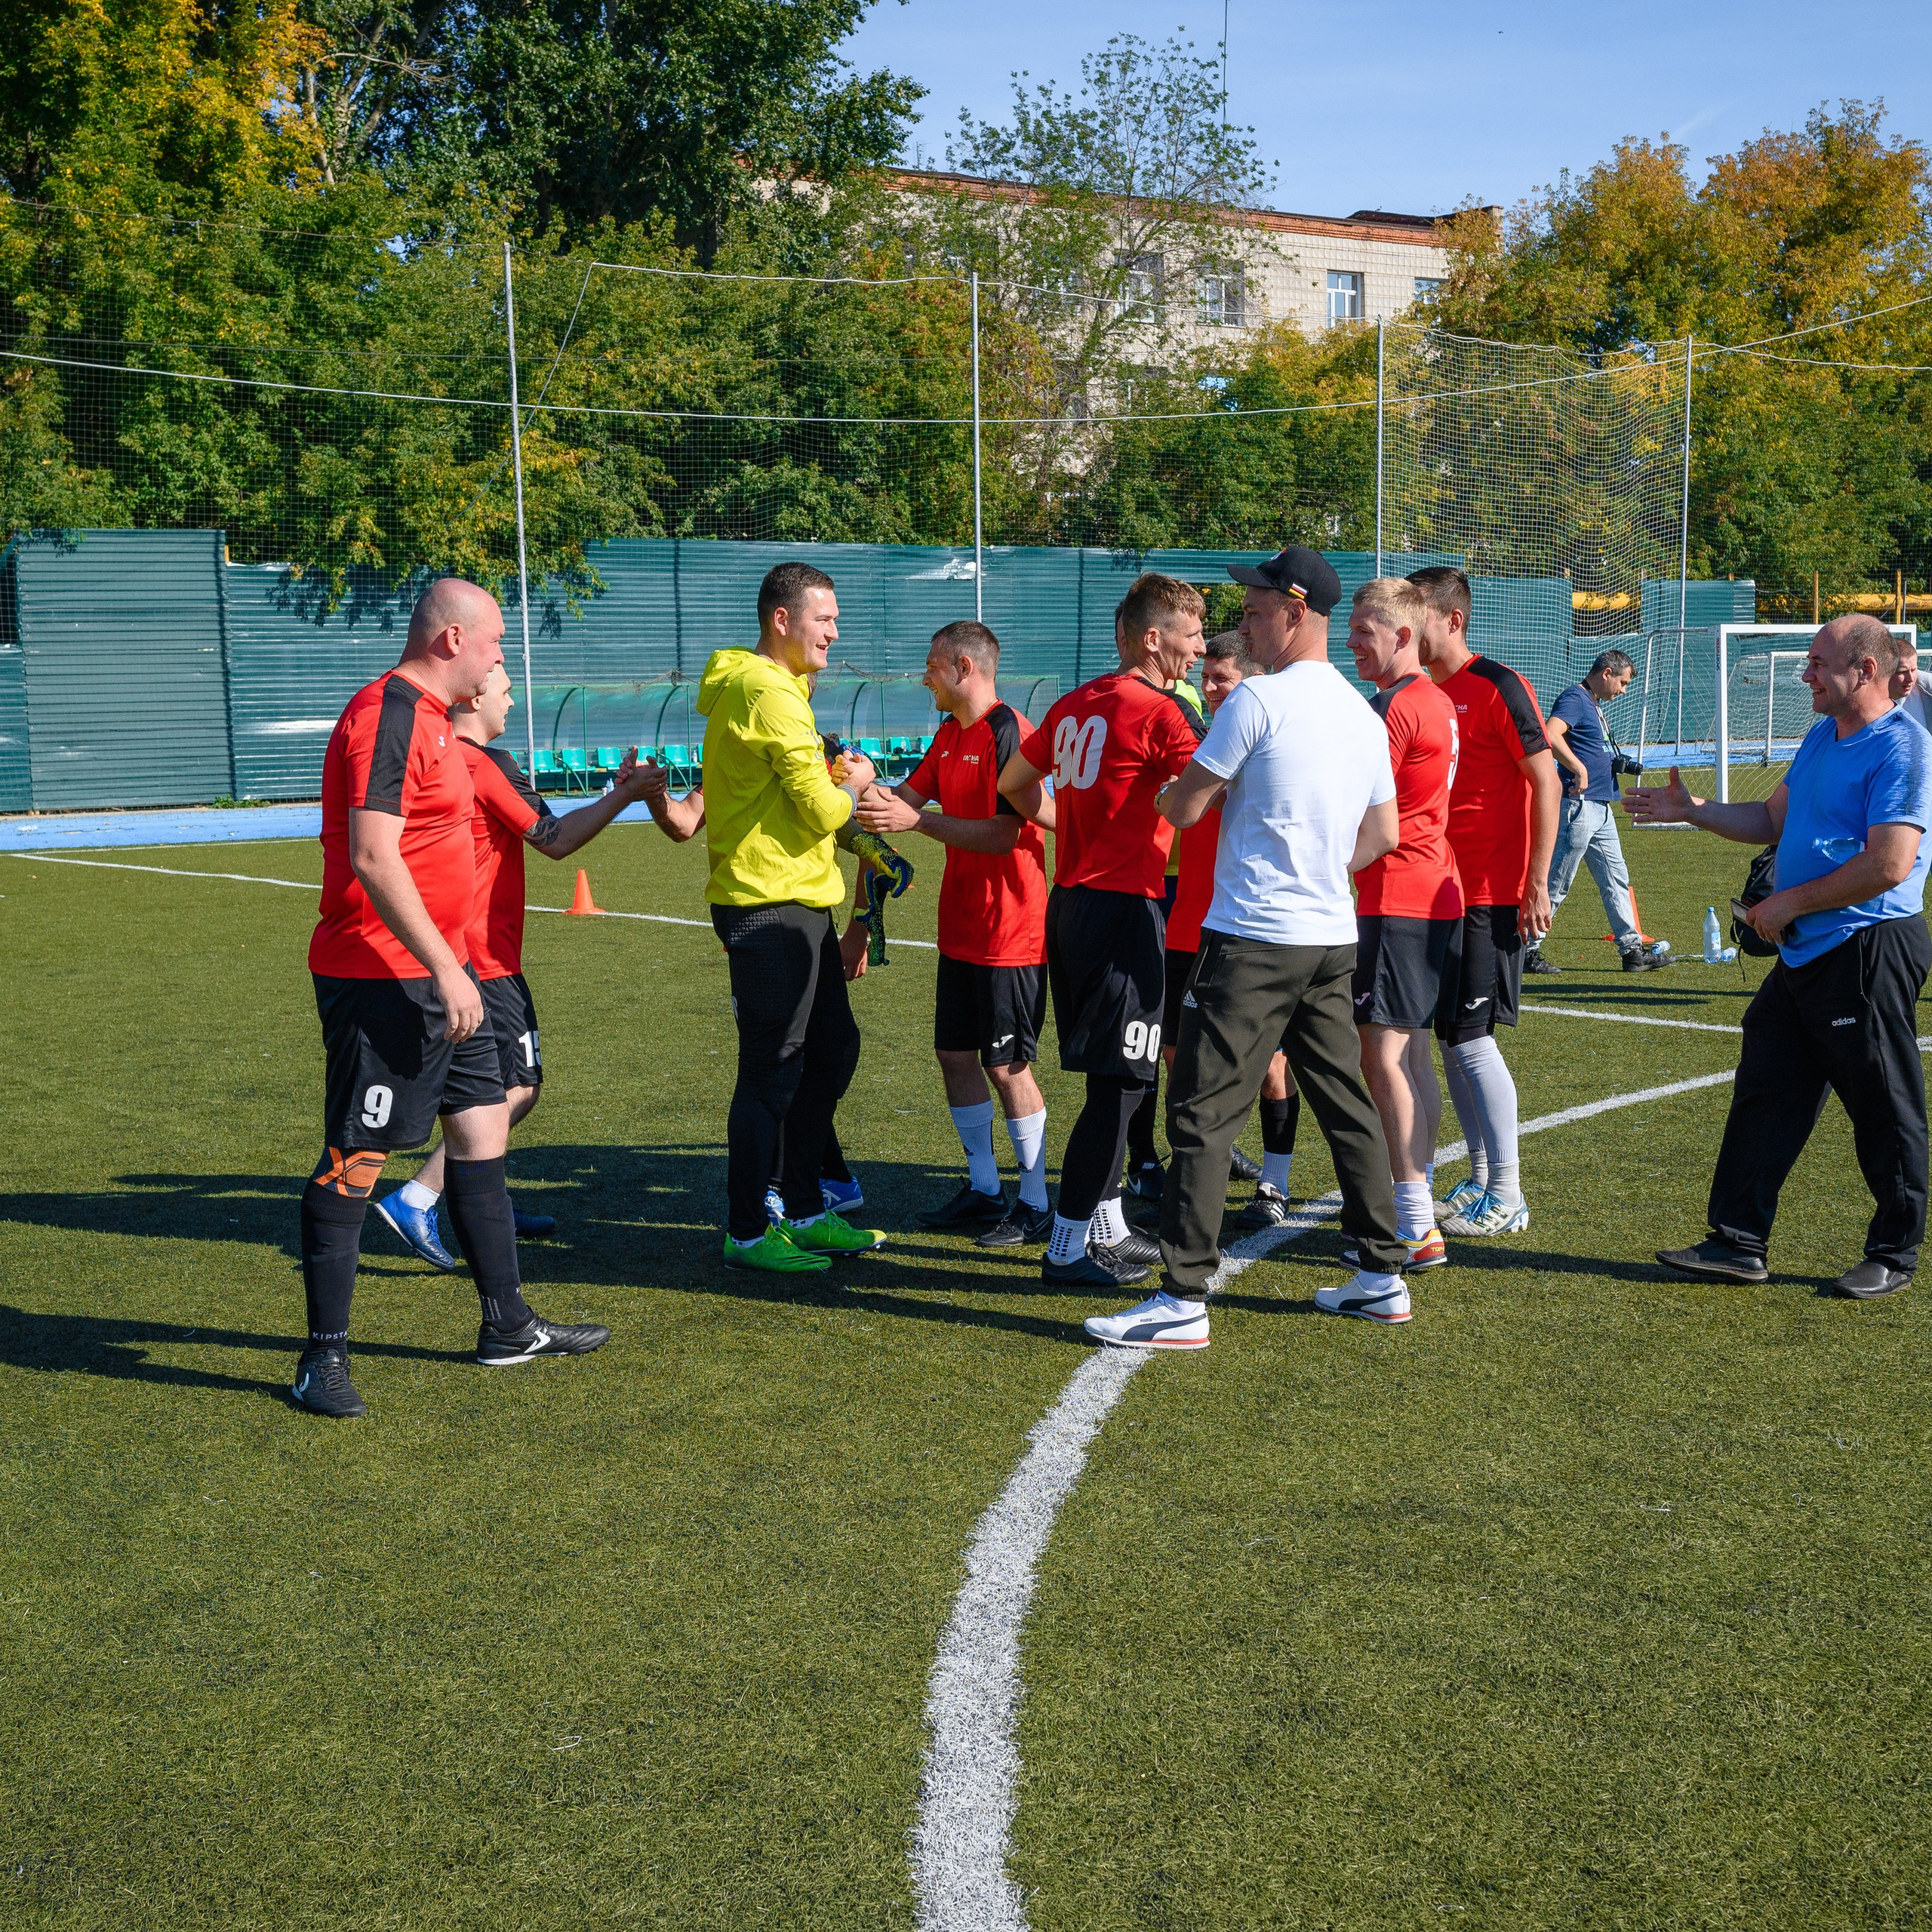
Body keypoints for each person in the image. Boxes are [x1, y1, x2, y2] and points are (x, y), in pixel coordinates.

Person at [295, 579, 611, 1418]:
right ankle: (320, 1358)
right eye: (496, 642)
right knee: (354, 1162)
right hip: (385, 978)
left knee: (481, 1134)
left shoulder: (439, 723)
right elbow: (371, 854)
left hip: (450, 976)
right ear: (449, 641)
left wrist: (458, 966)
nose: (502, 656)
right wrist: (443, 964)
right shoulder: (386, 715)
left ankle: (506, 1323)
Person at [1085, 544, 1407, 1348]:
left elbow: (1185, 808)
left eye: (1258, 608)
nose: (1244, 623)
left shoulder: (1255, 702)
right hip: (1329, 937)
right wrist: (1317, 870)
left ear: (1297, 612)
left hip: (1254, 940)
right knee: (1345, 1103)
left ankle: (1182, 1297)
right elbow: (1383, 834)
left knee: (1198, 1112)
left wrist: (1167, 791)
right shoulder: (1362, 714)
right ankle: (1382, 1275)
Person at [1634, 614, 1932, 1299]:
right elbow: (1773, 821)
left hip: (1867, 947)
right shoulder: (1824, 735)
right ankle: (1737, 1241)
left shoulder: (1904, 748)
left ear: (1866, 670)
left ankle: (1894, 1252)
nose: (1805, 677)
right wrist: (1693, 809)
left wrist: (1790, 904)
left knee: (1883, 1103)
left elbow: (1890, 864)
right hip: (1806, 951)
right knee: (1768, 1088)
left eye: (1818, 664)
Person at [370, 664, 666, 1266]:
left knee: (492, 1086)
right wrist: (625, 795)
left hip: (475, 948)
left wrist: (614, 793)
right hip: (485, 956)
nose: (512, 702)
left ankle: (488, 1202)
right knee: (516, 1088)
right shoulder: (482, 763)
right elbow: (553, 838)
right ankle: (420, 1197)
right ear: (476, 696)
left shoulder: (462, 758)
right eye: (506, 691)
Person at [998, 571, 1208, 1287]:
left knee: (1111, 1080)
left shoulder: (1077, 700)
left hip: (1073, 906)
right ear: (1153, 638)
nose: (1201, 649)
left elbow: (1015, 786)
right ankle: (1065, 1249)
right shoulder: (1163, 713)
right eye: (1191, 633)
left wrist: (1076, 823)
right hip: (1126, 912)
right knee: (1119, 1088)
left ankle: (1108, 1226)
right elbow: (1202, 802)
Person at [697, 561, 886, 1273]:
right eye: (825, 619)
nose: (835, 633)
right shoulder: (765, 689)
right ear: (782, 620)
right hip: (765, 905)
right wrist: (856, 782)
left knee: (832, 1050)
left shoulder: (773, 686)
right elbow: (821, 807)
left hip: (802, 899)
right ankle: (749, 1228)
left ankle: (806, 1207)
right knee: (772, 1071)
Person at [854, 621, 1054, 1244]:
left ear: (964, 667)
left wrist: (919, 821)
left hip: (1011, 929)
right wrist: (863, 787)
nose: (924, 677)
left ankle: (1037, 1200)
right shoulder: (949, 733)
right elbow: (901, 806)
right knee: (954, 1055)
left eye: (933, 666)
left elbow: (1008, 834)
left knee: (1008, 1066)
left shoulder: (1009, 732)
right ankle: (985, 1188)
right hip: (962, 927)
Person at [641, 762, 866, 1221]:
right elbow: (684, 822)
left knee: (825, 1051)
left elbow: (869, 840)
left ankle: (814, 1187)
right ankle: (778, 1197)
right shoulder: (740, 748)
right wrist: (653, 795)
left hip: (807, 916)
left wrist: (861, 927)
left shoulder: (819, 755)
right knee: (784, 1063)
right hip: (764, 916)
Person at [1409, 565, 1561, 1238]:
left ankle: (1509, 1192)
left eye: (1417, 617)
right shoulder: (1418, 691)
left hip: (1490, 893)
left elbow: (1547, 781)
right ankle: (1477, 1179)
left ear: (1453, 620)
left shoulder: (1497, 685)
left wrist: (1536, 882)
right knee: (1449, 1039)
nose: (1406, 629)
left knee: (1472, 1041)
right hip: (1435, 889)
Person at [1343, 577, 1462, 1272]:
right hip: (1431, 894)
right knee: (1411, 1055)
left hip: (1394, 897)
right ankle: (1415, 1206)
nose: (1352, 642)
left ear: (1404, 635)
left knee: (1383, 1056)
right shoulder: (1438, 700)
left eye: (1365, 631)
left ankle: (1413, 1219)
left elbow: (1372, 818)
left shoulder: (1391, 708)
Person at [1163, 631, 1300, 1230]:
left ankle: (1276, 1181)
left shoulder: (1266, 743)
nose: (1210, 689)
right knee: (1174, 1053)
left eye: (1223, 680)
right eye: (1207, 679)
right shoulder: (1200, 736)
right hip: (1182, 923)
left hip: (1244, 927)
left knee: (1269, 1060)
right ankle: (1192, 1167)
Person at [1529, 648, 1668, 975]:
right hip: (1579, 807)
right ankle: (1524, 949)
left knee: (1616, 879)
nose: (1623, 690)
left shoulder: (1592, 703)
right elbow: (1550, 733)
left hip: (1599, 809)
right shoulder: (1576, 698)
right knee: (1556, 883)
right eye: (1622, 682)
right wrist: (1578, 767)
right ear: (1606, 673)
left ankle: (1632, 950)